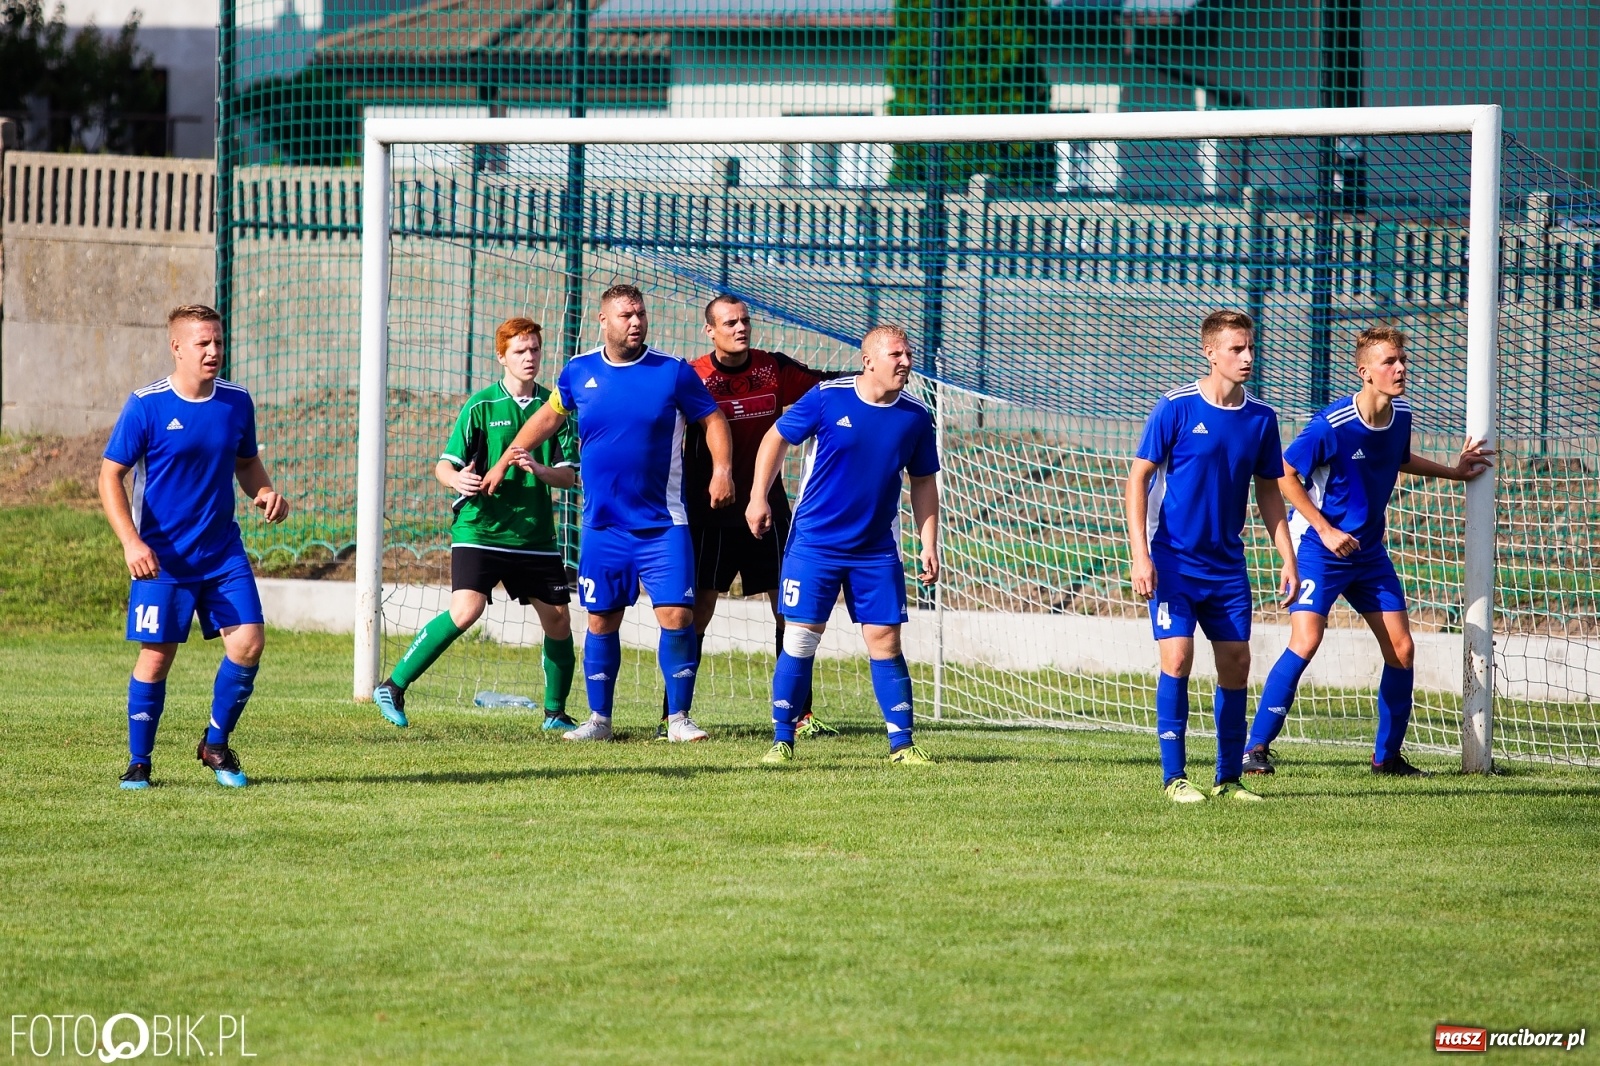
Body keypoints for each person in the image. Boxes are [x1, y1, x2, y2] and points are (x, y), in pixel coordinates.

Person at [484, 284, 734, 741]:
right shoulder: (579, 372)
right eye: (625, 315)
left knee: (678, 616)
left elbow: (712, 419)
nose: (635, 322)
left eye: (639, 314)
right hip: (603, 528)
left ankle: (677, 719)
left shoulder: (672, 371)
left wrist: (722, 470)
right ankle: (599, 721)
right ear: (604, 321)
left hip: (664, 525)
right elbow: (549, 416)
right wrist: (504, 460)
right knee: (601, 620)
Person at [1243, 326, 1493, 777]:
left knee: (1402, 648)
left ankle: (1387, 757)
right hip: (1320, 548)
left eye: (1402, 360)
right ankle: (1256, 747)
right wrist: (1325, 528)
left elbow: (1398, 458)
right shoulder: (1331, 425)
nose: (1399, 369)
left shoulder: (1401, 415)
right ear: (1364, 372)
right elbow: (1284, 473)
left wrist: (1454, 473)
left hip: (1369, 553)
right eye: (1388, 362)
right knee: (1307, 639)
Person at [98, 304, 289, 790]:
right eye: (202, 343)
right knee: (157, 658)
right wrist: (131, 542)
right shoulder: (147, 405)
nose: (213, 352)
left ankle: (215, 744)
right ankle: (139, 763)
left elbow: (246, 464)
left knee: (248, 643)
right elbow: (109, 476)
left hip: (222, 553)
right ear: (176, 346)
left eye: (218, 342)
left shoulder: (237, 401)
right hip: (162, 559)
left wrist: (263, 492)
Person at [371, 318, 581, 732]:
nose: (530, 358)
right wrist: (458, 479)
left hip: (533, 534)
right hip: (479, 529)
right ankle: (392, 686)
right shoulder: (480, 406)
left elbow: (569, 475)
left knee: (558, 618)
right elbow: (443, 465)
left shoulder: (553, 408)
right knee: (467, 610)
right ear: (501, 356)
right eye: (520, 351)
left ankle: (554, 714)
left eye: (535, 349)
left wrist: (539, 469)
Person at [746, 324, 940, 765]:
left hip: (875, 549)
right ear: (869, 360)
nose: (905, 362)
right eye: (896, 354)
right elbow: (776, 438)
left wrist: (929, 542)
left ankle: (902, 745)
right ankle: (782, 740)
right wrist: (759, 496)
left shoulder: (915, 415)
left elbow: (924, 480)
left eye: (908, 354)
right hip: (815, 544)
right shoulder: (827, 398)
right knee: (800, 640)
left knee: (886, 641)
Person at [1123, 309, 1297, 804]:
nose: (1247, 357)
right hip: (1173, 561)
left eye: (1250, 347)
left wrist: (1287, 555)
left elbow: (1269, 490)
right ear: (1210, 352)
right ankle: (1175, 778)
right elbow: (1137, 479)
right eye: (1236, 348)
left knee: (1236, 665)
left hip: (1227, 567)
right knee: (1176, 659)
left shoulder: (1261, 418)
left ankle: (1227, 779)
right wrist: (1141, 555)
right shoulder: (1174, 408)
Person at [656, 293, 845, 740]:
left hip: (769, 510)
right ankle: (672, 716)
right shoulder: (693, 375)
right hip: (711, 514)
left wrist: (874, 374)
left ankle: (801, 714)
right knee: (695, 612)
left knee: (791, 610)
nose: (740, 328)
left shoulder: (773, 368)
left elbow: (827, 386)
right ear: (710, 330)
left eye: (744, 321)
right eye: (729, 323)